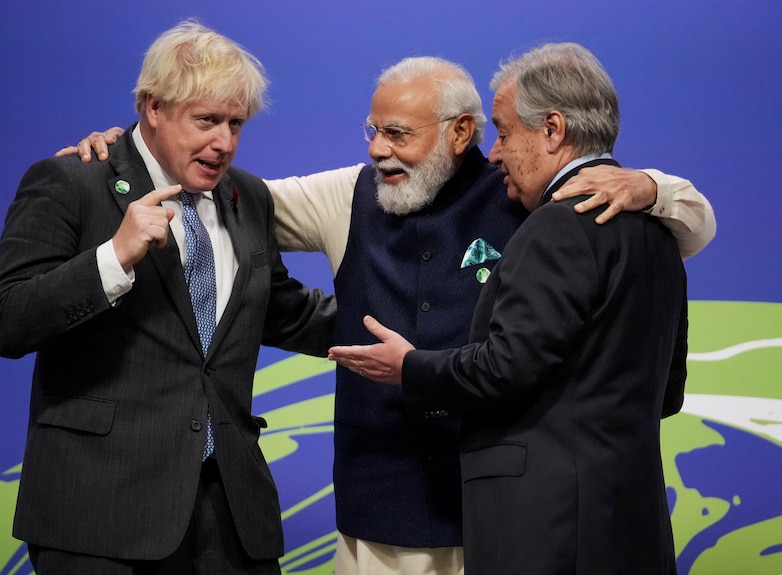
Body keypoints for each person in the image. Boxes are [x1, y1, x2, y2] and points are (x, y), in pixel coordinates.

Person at [63, 57, 714, 574]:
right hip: (379, 514)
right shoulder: (347, 192)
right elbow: (217, 203)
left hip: (498, 517)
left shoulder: (533, 197)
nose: (378, 149)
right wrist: (133, 158)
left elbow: (674, 220)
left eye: (398, 133)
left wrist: (657, 186)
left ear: (462, 132)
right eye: (371, 130)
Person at [0, 21, 336, 575]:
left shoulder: (248, 196)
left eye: (235, 123)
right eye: (206, 120)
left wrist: (424, 330)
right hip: (98, 516)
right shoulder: (72, 182)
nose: (223, 141)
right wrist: (114, 256)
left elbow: (284, 311)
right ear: (153, 107)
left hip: (231, 516)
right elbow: (7, 321)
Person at [329, 42, 687, 574]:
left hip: (550, 527)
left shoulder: (555, 226)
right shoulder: (661, 233)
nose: (494, 153)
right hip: (631, 524)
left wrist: (409, 367)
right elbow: (668, 392)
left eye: (504, 132)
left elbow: (506, 366)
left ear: (553, 130)